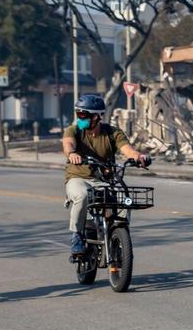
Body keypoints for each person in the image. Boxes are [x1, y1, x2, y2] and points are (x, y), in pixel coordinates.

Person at [63, 94, 149, 254]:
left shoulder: (112, 133)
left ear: (96, 117)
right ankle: (77, 235)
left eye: (83, 115)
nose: (79, 118)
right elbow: (68, 143)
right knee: (82, 195)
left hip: (104, 181)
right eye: (78, 114)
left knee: (124, 199)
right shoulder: (74, 130)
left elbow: (128, 150)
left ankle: (118, 233)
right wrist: (72, 153)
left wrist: (139, 157)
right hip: (78, 178)